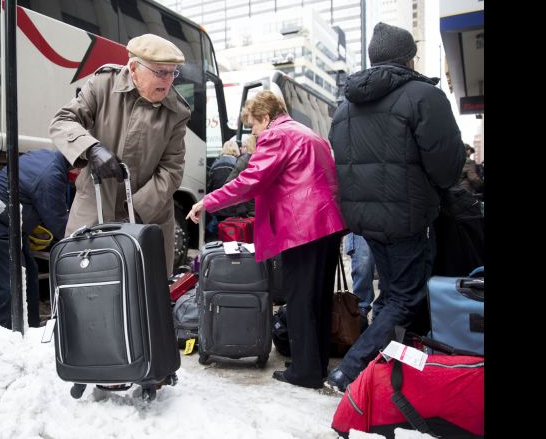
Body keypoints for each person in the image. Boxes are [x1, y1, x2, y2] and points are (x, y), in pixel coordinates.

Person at [326, 22, 465, 392]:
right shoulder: (423, 96)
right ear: (408, 57)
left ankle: (387, 369)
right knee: (405, 298)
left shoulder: (344, 109)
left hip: (366, 222)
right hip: (408, 221)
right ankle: (350, 372)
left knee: (391, 295)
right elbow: (447, 167)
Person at [187, 90, 346, 389]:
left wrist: (208, 201)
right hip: (327, 223)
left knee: (300, 299)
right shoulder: (308, 134)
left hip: (302, 227)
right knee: (319, 298)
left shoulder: (277, 135)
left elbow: (250, 181)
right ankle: (314, 361)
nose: (255, 133)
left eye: (254, 126)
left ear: (265, 117)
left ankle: (305, 371)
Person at [49, 33, 191, 277]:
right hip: (93, 209)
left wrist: (134, 209)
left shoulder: (177, 111)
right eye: (160, 72)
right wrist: (91, 148)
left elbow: (172, 169)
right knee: (86, 287)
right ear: (134, 68)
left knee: (144, 298)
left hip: (149, 217)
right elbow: (63, 121)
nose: (168, 81)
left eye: (172, 72)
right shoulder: (103, 84)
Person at [0, 149, 77, 329]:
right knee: (11, 283)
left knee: (28, 273)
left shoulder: (51, 158)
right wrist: (80, 241)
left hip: (10, 223)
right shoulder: (50, 176)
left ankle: (30, 328)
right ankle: (7, 335)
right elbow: (59, 223)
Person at [344, 233, 384, 330]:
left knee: (387, 267)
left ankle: (381, 314)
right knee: (363, 264)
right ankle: (360, 314)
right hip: (361, 224)